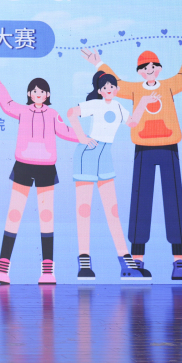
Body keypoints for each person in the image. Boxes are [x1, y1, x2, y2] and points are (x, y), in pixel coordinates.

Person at [82, 49, 182, 280]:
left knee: (174, 202)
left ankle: (180, 260)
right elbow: (116, 83)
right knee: (141, 202)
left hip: (169, 148)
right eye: (144, 68)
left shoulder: (169, 86)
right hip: (143, 149)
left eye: (153, 66)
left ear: (159, 68)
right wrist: (99, 63)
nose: (149, 70)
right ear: (139, 72)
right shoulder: (135, 90)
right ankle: (136, 259)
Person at [0, 68, 77, 284]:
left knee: (46, 217)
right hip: (23, 167)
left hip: (46, 169)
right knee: (14, 214)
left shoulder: (53, 114)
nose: (38, 94)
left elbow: (65, 131)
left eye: (41, 91)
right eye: (34, 91)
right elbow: (7, 104)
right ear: (29, 94)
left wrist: (86, 137)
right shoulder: (23, 111)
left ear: (47, 94)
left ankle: (47, 272)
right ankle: (2, 269)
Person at [67, 70, 159, 280]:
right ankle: (84, 261)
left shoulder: (118, 107)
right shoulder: (95, 105)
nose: (108, 90)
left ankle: (125, 261)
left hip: (105, 155)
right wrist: (82, 137)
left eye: (112, 87)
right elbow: (71, 112)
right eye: (104, 87)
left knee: (113, 210)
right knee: (84, 209)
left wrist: (143, 102)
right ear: (99, 91)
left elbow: (133, 122)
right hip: (88, 155)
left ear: (117, 89)